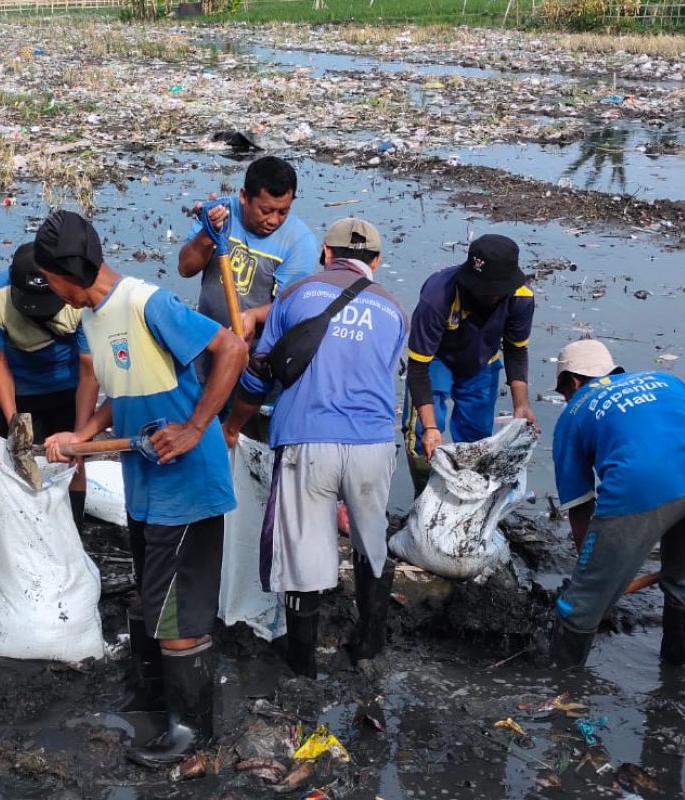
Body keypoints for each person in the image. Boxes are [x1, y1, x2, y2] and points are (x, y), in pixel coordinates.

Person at [38, 211, 247, 768]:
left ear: (66, 273)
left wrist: (198, 426)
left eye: (49, 279)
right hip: (145, 485)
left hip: (187, 485)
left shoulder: (145, 302)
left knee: (179, 610)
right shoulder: (94, 317)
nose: (50, 290)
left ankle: (191, 731)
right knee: (155, 598)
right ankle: (155, 699)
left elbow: (231, 349)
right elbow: (122, 392)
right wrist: (79, 437)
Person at [223, 219, 407, 677]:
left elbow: (260, 372)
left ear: (326, 253)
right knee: (371, 541)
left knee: (302, 556)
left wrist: (232, 426)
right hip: (373, 445)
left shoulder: (294, 295)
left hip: (307, 440)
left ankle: (302, 670)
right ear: (377, 262)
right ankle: (368, 648)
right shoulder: (393, 309)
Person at [549, 339, 685, 668]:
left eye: (565, 391)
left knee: (580, 604)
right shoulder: (668, 382)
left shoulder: (575, 410)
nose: (567, 398)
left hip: (642, 483)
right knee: (683, 579)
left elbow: (581, 504)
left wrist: (592, 577)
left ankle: (561, 691)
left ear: (572, 381)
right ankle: (676, 674)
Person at [0, 243, 97, 530]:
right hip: (22, 390)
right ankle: (31, 532)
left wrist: (81, 432)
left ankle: (73, 530)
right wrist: (14, 418)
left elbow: (90, 370)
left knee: (73, 463)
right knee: (22, 462)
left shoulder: (78, 299)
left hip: (71, 388)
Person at [404, 234, 537, 494]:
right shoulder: (437, 296)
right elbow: (418, 367)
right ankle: (424, 498)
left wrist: (521, 405)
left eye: (494, 291)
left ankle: (469, 503)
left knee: (478, 441)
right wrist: (431, 427)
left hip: (481, 361)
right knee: (423, 435)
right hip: (436, 360)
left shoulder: (521, 298)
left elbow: (516, 349)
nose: (487, 296)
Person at [177, 155, 318, 348]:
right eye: (266, 211)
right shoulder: (219, 212)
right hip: (207, 339)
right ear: (244, 196)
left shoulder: (298, 241)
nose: (274, 220)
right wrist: (208, 233)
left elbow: (290, 307)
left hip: (259, 353)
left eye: (283, 212)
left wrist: (253, 315)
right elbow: (185, 269)